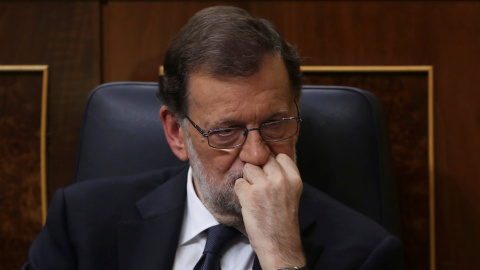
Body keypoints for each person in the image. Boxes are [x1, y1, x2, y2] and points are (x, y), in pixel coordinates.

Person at [23, 6, 403, 270]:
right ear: (177, 133)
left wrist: (282, 256)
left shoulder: (364, 254)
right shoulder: (83, 223)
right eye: (226, 131)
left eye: (275, 123)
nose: (256, 154)